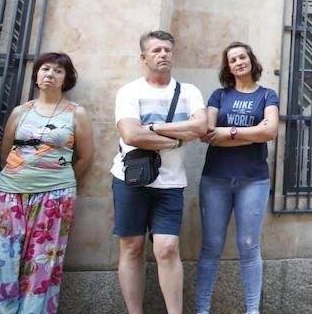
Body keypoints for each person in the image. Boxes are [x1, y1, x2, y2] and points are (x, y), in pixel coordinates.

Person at [110, 30, 206, 314]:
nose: (163, 54)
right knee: (132, 247)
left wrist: (152, 129)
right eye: (156, 50)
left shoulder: (189, 92)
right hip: (130, 180)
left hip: (171, 183)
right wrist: (178, 137)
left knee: (167, 248)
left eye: (167, 50)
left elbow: (200, 128)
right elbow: (130, 134)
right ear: (143, 57)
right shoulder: (129, 91)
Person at [0, 52, 93, 313]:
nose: (50, 74)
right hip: (9, 194)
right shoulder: (20, 111)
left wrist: (63, 183)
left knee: (41, 262)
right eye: (45, 69)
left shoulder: (76, 113)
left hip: (54, 196)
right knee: (2, 259)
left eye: (58, 71)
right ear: (37, 76)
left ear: (66, 79)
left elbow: (84, 158)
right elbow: (6, 151)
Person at [195, 42, 279, 314]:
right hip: (215, 179)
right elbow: (209, 134)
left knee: (248, 246)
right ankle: (201, 310)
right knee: (211, 246)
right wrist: (252, 132)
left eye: (242, 57)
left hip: (253, 180)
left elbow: (271, 132)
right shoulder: (219, 96)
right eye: (232, 60)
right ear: (228, 67)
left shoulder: (267, 95)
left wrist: (229, 133)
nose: (239, 62)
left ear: (251, 60)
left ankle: (252, 311)